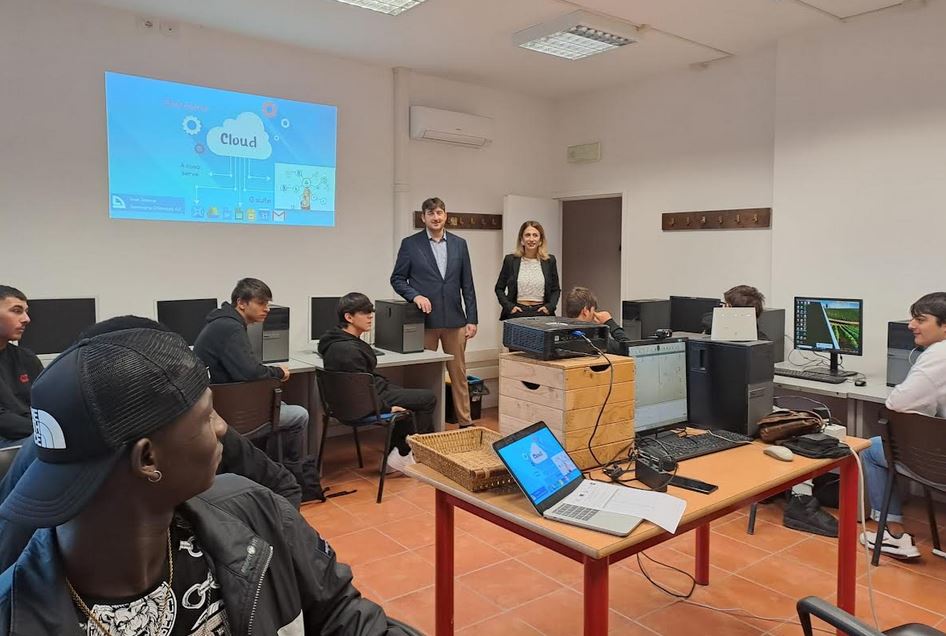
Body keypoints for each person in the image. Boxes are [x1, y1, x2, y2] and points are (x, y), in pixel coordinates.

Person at [0, 328, 412, 634]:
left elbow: (343, 617)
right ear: (147, 458)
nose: (221, 428)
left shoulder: (258, 515)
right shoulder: (15, 615)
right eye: (207, 416)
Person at [0, 315, 309, 572]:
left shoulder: (204, 434)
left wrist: (256, 562)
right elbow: (12, 557)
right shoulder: (50, 464)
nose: (218, 425)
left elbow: (283, 487)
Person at [861, 292, 946, 559]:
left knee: (870, 448)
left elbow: (897, 403)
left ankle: (892, 532)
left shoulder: (939, 355)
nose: (910, 325)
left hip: (940, 465)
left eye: (920, 320)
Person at [194, 278, 310, 468]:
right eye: (261, 303)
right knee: (300, 415)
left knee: (281, 405)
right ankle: (286, 471)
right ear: (241, 303)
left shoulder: (223, 322)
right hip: (231, 412)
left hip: (221, 406)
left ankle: (264, 466)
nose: (267, 309)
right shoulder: (231, 327)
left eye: (267, 304)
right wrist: (278, 372)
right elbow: (250, 372)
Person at [318, 293, 436, 474]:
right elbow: (358, 392)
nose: (370, 316)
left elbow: (357, 386)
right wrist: (386, 408)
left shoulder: (334, 342)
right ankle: (404, 453)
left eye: (370, 312)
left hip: (352, 402)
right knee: (428, 398)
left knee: (408, 396)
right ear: (348, 317)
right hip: (363, 405)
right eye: (364, 313)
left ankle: (396, 457)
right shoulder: (348, 350)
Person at [391, 197, 478, 427]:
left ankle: (465, 423)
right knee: (422, 375)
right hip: (425, 322)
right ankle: (421, 425)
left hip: (456, 321)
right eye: (431, 214)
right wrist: (415, 296)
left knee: (459, 374)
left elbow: (467, 284)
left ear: (445, 215)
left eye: (439, 213)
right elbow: (397, 279)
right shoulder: (410, 244)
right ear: (423, 217)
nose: (436, 217)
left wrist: (472, 319)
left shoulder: (460, 244)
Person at [0, 285, 42, 447]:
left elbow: (47, 403)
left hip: (32, 436)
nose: (26, 319)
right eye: (17, 311)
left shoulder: (27, 358)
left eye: (25, 311)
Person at [494, 220, 561, 320]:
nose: (531, 239)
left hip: (541, 313)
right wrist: (509, 307)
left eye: (535, 235)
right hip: (517, 312)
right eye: (527, 235)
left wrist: (550, 307)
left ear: (541, 240)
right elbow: (499, 288)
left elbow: (555, 290)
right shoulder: (510, 260)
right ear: (521, 239)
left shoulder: (549, 261)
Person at [563, 286, 630, 355]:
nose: (595, 313)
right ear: (585, 311)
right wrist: (610, 322)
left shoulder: (562, 333)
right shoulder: (592, 338)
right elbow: (629, 349)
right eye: (593, 310)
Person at [700, 284, 770, 339]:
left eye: (726, 305)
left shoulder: (718, 332)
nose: (722, 308)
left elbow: (707, 320)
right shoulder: (762, 339)